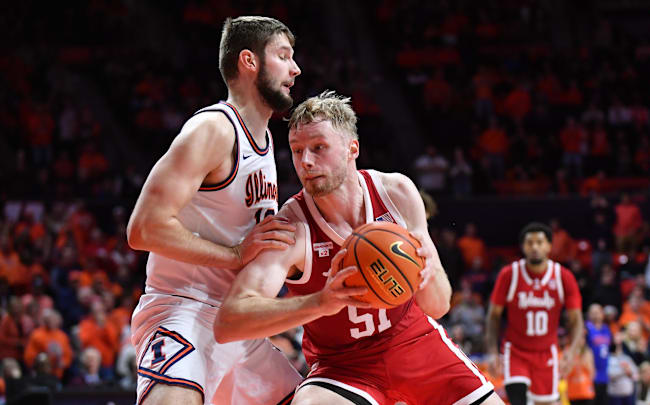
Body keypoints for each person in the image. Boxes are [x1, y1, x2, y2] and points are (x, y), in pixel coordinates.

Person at [214, 91, 503, 405]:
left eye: (318, 148)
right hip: (342, 366)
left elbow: (437, 306)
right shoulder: (291, 229)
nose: (306, 161)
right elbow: (229, 322)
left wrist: (427, 272)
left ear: (353, 148)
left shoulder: (396, 192)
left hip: (414, 342)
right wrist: (320, 303)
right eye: (297, 151)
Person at [126, 16, 303, 405]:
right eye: (284, 56)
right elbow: (143, 229)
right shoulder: (214, 128)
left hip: (238, 324)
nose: (295, 69)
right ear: (249, 61)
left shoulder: (268, 139)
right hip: (184, 309)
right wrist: (235, 255)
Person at [486, 222, 585, 405]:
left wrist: (572, 351)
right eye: (529, 243)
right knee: (517, 399)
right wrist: (492, 351)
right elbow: (493, 316)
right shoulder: (509, 274)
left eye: (539, 242)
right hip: (515, 351)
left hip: (547, 352)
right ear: (523, 246)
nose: (534, 247)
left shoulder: (563, 276)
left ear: (549, 246)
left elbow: (576, 319)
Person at [586, 303, 611, 405]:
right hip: (591, 374)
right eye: (593, 313)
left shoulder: (606, 329)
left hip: (604, 374)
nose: (596, 315)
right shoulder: (586, 328)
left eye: (598, 312)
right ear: (589, 315)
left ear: (602, 314)